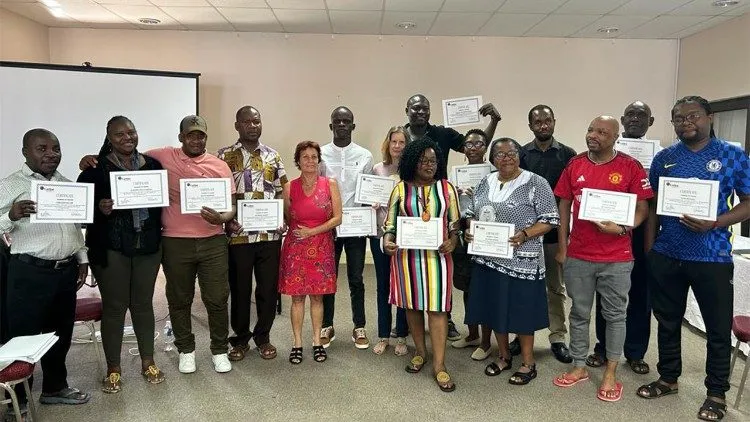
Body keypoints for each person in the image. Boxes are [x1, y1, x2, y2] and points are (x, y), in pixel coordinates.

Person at [79, 116, 237, 374]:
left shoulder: (218, 166)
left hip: (211, 241)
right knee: (178, 298)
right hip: (174, 242)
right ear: (180, 137)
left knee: (218, 298)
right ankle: (186, 349)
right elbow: (111, 167)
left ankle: (220, 349)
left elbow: (231, 207)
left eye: (201, 135)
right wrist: (90, 159)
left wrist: (223, 218)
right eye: (190, 135)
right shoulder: (160, 158)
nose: (196, 140)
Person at [637, 96, 750, 422]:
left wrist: (717, 222)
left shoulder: (732, 155)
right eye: (678, 118)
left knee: (717, 328)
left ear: (709, 117)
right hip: (667, 254)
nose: (686, 122)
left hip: (712, 257)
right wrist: (650, 249)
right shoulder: (665, 158)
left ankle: (716, 393)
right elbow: (655, 206)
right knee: (668, 321)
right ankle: (668, 378)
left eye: (693, 116)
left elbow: (747, 201)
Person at [552, 116, 652, 403]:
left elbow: (642, 209)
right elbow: (563, 206)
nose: (593, 135)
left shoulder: (630, 167)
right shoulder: (575, 164)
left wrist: (622, 227)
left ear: (615, 137)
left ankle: (610, 372)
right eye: (591, 130)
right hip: (579, 255)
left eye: (602, 132)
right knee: (579, 313)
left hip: (617, 258)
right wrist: (563, 247)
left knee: (615, 315)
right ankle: (579, 366)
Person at [0, 129, 91, 414]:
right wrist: (10, 215)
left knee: (59, 334)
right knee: (23, 337)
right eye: (42, 148)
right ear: (26, 152)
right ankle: (18, 399)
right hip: (29, 272)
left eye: (56, 148)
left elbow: (74, 228)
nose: (51, 154)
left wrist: (82, 257)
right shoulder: (10, 185)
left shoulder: (65, 184)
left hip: (64, 271)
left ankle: (54, 387)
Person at [77, 116, 165, 393]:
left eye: (131, 132)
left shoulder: (152, 166)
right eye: (119, 134)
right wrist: (98, 210)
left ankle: (148, 361)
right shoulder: (93, 170)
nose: (127, 137)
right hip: (111, 248)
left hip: (147, 247)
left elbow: (160, 207)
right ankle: (114, 368)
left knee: (143, 304)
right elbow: (78, 213)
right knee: (115, 307)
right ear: (109, 138)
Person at [403, 93, 502, 339]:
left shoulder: (443, 134)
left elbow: (476, 144)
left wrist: (494, 121)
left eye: (425, 108)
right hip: (411, 203)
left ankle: (444, 318)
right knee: (411, 263)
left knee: (442, 263)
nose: (421, 112)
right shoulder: (400, 136)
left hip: (440, 203)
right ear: (407, 110)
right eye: (416, 109)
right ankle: (408, 318)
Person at [464, 137, 559, 385]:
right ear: (492, 159)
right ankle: (504, 356)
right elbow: (473, 214)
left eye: (511, 152)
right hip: (489, 259)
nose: (506, 157)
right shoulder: (485, 181)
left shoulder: (536, 183)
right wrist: (469, 231)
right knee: (496, 309)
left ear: (519, 155)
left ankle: (528, 362)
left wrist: (526, 234)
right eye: (500, 154)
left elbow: (550, 220)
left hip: (523, 261)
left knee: (522, 312)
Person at [383, 138, 461, 392]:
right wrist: (387, 241)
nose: (428, 165)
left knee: (437, 309)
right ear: (411, 162)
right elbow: (390, 224)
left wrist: (453, 241)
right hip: (407, 259)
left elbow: (455, 224)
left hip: (438, 258)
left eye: (433, 161)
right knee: (413, 306)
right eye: (423, 160)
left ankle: (439, 365)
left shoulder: (446, 188)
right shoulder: (400, 189)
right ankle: (420, 352)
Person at [588, 101, 656, 374]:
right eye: (631, 114)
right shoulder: (605, 150)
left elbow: (652, 202)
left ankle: (636, 352)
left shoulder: (660, 155)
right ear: (621, 121)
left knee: (640, 293)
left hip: (639, 231)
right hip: (606, 231)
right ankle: (603, 347)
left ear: (651, 122)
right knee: (607, 293)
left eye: (642, 115)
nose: (636, 119)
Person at [217, 106, 287, 362]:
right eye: (246, 122)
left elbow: (281, 191)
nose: (252, 125)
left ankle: (263, 337)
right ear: (237, 126)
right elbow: (218, 193)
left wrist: (283, 219)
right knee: (240, 289)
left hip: (269, 235)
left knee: (268, 289)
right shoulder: (223, 156)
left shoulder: (273, 156)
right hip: (239, 236)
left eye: (256, 121)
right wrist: (226, 223)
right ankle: (240, 339)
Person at [517, 104, 577, 364]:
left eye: (547, 121)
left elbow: (572, 196)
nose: (543, 126)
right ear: (530, 126)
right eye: (538, 122)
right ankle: (521, 335)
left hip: (554, 235)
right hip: (526, 234)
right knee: (523, 285)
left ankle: (557, 337)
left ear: (554, 122)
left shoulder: (568, 155)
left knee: (554, 288)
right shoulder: (520, 154)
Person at [278, 141, 342, 364]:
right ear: (298, 161)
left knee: (317, 297)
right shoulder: (289, 187)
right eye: (305, 157)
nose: (310, 161)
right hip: (296, 248)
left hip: (322, 246)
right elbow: (287, 217)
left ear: (319, 160)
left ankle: (316, 341)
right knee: (297, 299)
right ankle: (297, 343)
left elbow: (337, 218)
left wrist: (312, 231)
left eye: (314, 156)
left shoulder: (330, 184)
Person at [319, 106, 374, 349]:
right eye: (337, 121)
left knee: (356, 277)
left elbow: (370, 189)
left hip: (355, 227)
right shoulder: (320, 154)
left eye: (346, 121)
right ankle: (327, 325)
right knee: (328, 276)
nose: (342, 125)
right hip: (329, 226)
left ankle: (359, 325)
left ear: (353, 126)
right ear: (331, 126)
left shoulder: (365, 155)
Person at [450, 129, 493, 362]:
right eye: (468, 144)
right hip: (463, 238)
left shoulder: (494, 175)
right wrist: (454, 195)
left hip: (485, 239)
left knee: (483, 290)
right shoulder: (455, 174)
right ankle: (473, 334)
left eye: (478, 144)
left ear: (485, 148)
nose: (473, 147)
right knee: (467, 288)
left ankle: (487, 342)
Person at [370, 127, 409, 356]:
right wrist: (371, 202)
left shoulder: (412, 170)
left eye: (402, 142)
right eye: (394, 141)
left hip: (405, 237)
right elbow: (368, 195)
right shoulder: (377, 169)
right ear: (388, 143)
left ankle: (402, 335)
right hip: (380, 234)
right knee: (383, 285)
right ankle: (384, 335)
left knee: (402, 286)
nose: (397, 146)